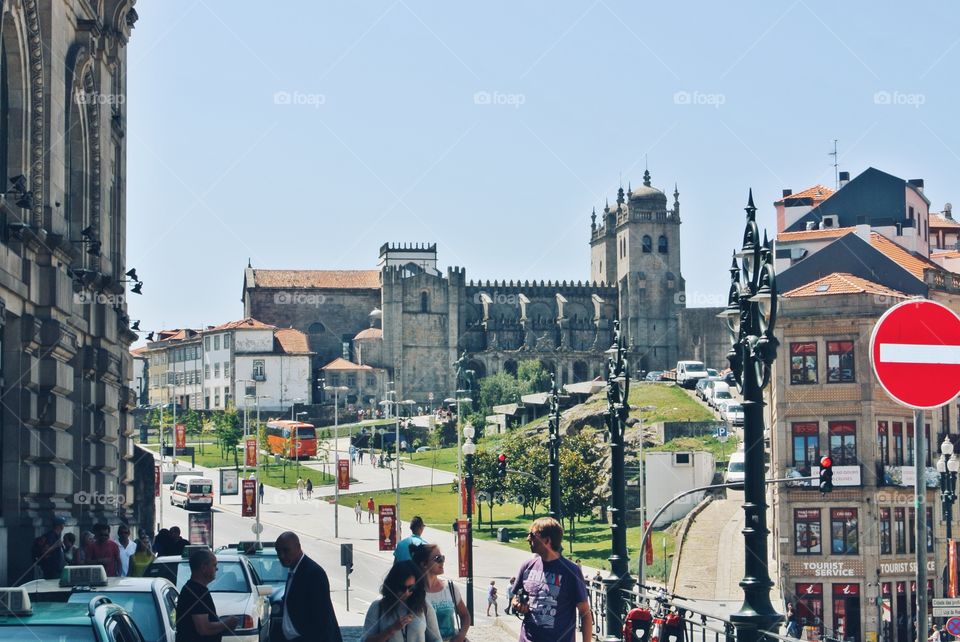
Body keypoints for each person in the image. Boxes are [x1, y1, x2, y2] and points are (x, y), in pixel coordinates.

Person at [510, 517, 592, 642]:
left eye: (532, 535)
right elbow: (515, 596)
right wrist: (517, 603)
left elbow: (585, 613)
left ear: (547, 540)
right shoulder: (527, 566)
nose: (528, 538)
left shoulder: (571, 571)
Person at [273, 531, 342, 642]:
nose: (282, 555)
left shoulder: (313, 573)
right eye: (278, 551)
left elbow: (320, 619)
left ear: (298, 547)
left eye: (286, 550)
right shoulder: (294, 570)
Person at [361, 561, 441, 642]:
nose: (406, 592)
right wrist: (392, 629)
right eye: (402, 588)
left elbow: (436, 639)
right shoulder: (378, 607)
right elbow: (365, 640)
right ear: (393, 585)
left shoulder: (424, 606)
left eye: (411, 588)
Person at [175, 548, 239, 642]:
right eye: (214, 565)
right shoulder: (195, 592)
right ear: (203, 567)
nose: (216, 569)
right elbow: (203, 628)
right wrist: (227, 623)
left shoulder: (198, 589)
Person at [412, 543, 470, 642]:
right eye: (438, 559)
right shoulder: (413, 593)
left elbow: (465, 615)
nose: (442, 562)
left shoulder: (450, 588)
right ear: (424, 564)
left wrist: (461, 635)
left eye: (442, 558)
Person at [35, 515, 67, 580]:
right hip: (51, 569)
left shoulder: (56, 535)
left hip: (57, 568)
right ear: (59, 526)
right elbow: (45, 551)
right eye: (63, 524)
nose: (64, 526)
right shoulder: (51, 536)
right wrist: (56, 546)